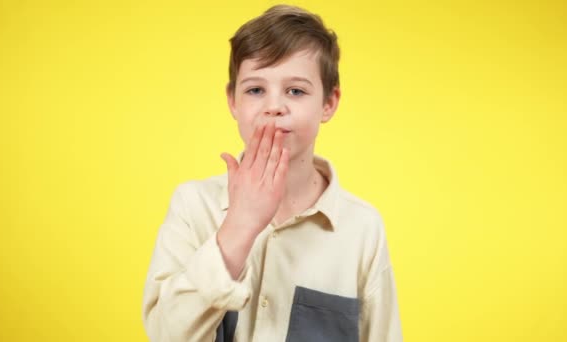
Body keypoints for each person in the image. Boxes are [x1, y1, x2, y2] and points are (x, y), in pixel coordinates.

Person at [141, 4, 402, 341]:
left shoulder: (363, 228)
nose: (274, 106)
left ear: (329, 103)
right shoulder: (193, 205)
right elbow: (165, 334)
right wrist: (239, 227)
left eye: (296, 90)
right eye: (255, 90)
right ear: (233, 100)